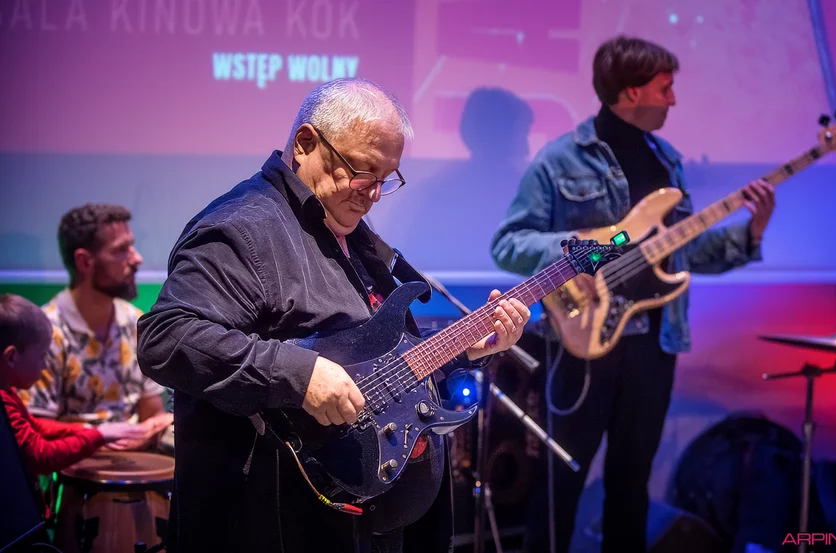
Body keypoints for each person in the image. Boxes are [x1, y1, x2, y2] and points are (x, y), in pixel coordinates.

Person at [136, 77, 531, 553]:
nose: (374, 193)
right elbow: (166, 337)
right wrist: (301, 375)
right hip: (277, 526)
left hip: (365, 523)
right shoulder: (241, 227)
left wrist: (465, 350)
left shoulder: (348, 228)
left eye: (387, 178)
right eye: (363, 172)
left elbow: (375, 362)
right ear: (306, 144)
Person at [490, 36, 776, 553]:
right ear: (630, 93)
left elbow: (684, 251)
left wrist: (750, 233)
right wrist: (577, 248)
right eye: (665, 88)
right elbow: (508, 244)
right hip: (581, 342)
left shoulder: (668, 163)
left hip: (654, 343)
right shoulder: (559, 160)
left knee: (631, 487)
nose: (673, 100)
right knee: (559, 485)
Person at [22, 204, 171, 451]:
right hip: (73, 469)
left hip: (134, 464)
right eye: (121, 250)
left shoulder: (134, 322)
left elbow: (151, 413)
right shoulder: (46, 333)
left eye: (132, 247)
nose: (137, 259)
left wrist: (159, 424)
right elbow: (35, 432)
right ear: (84, 261)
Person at [0, 294, 144, 482]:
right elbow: (41, 456)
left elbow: (35, 426)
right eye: (41, 356)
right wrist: (97, 436)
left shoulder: (7, 391)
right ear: (11, 357)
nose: (44, 366)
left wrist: (91, 431)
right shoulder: (4, 402)